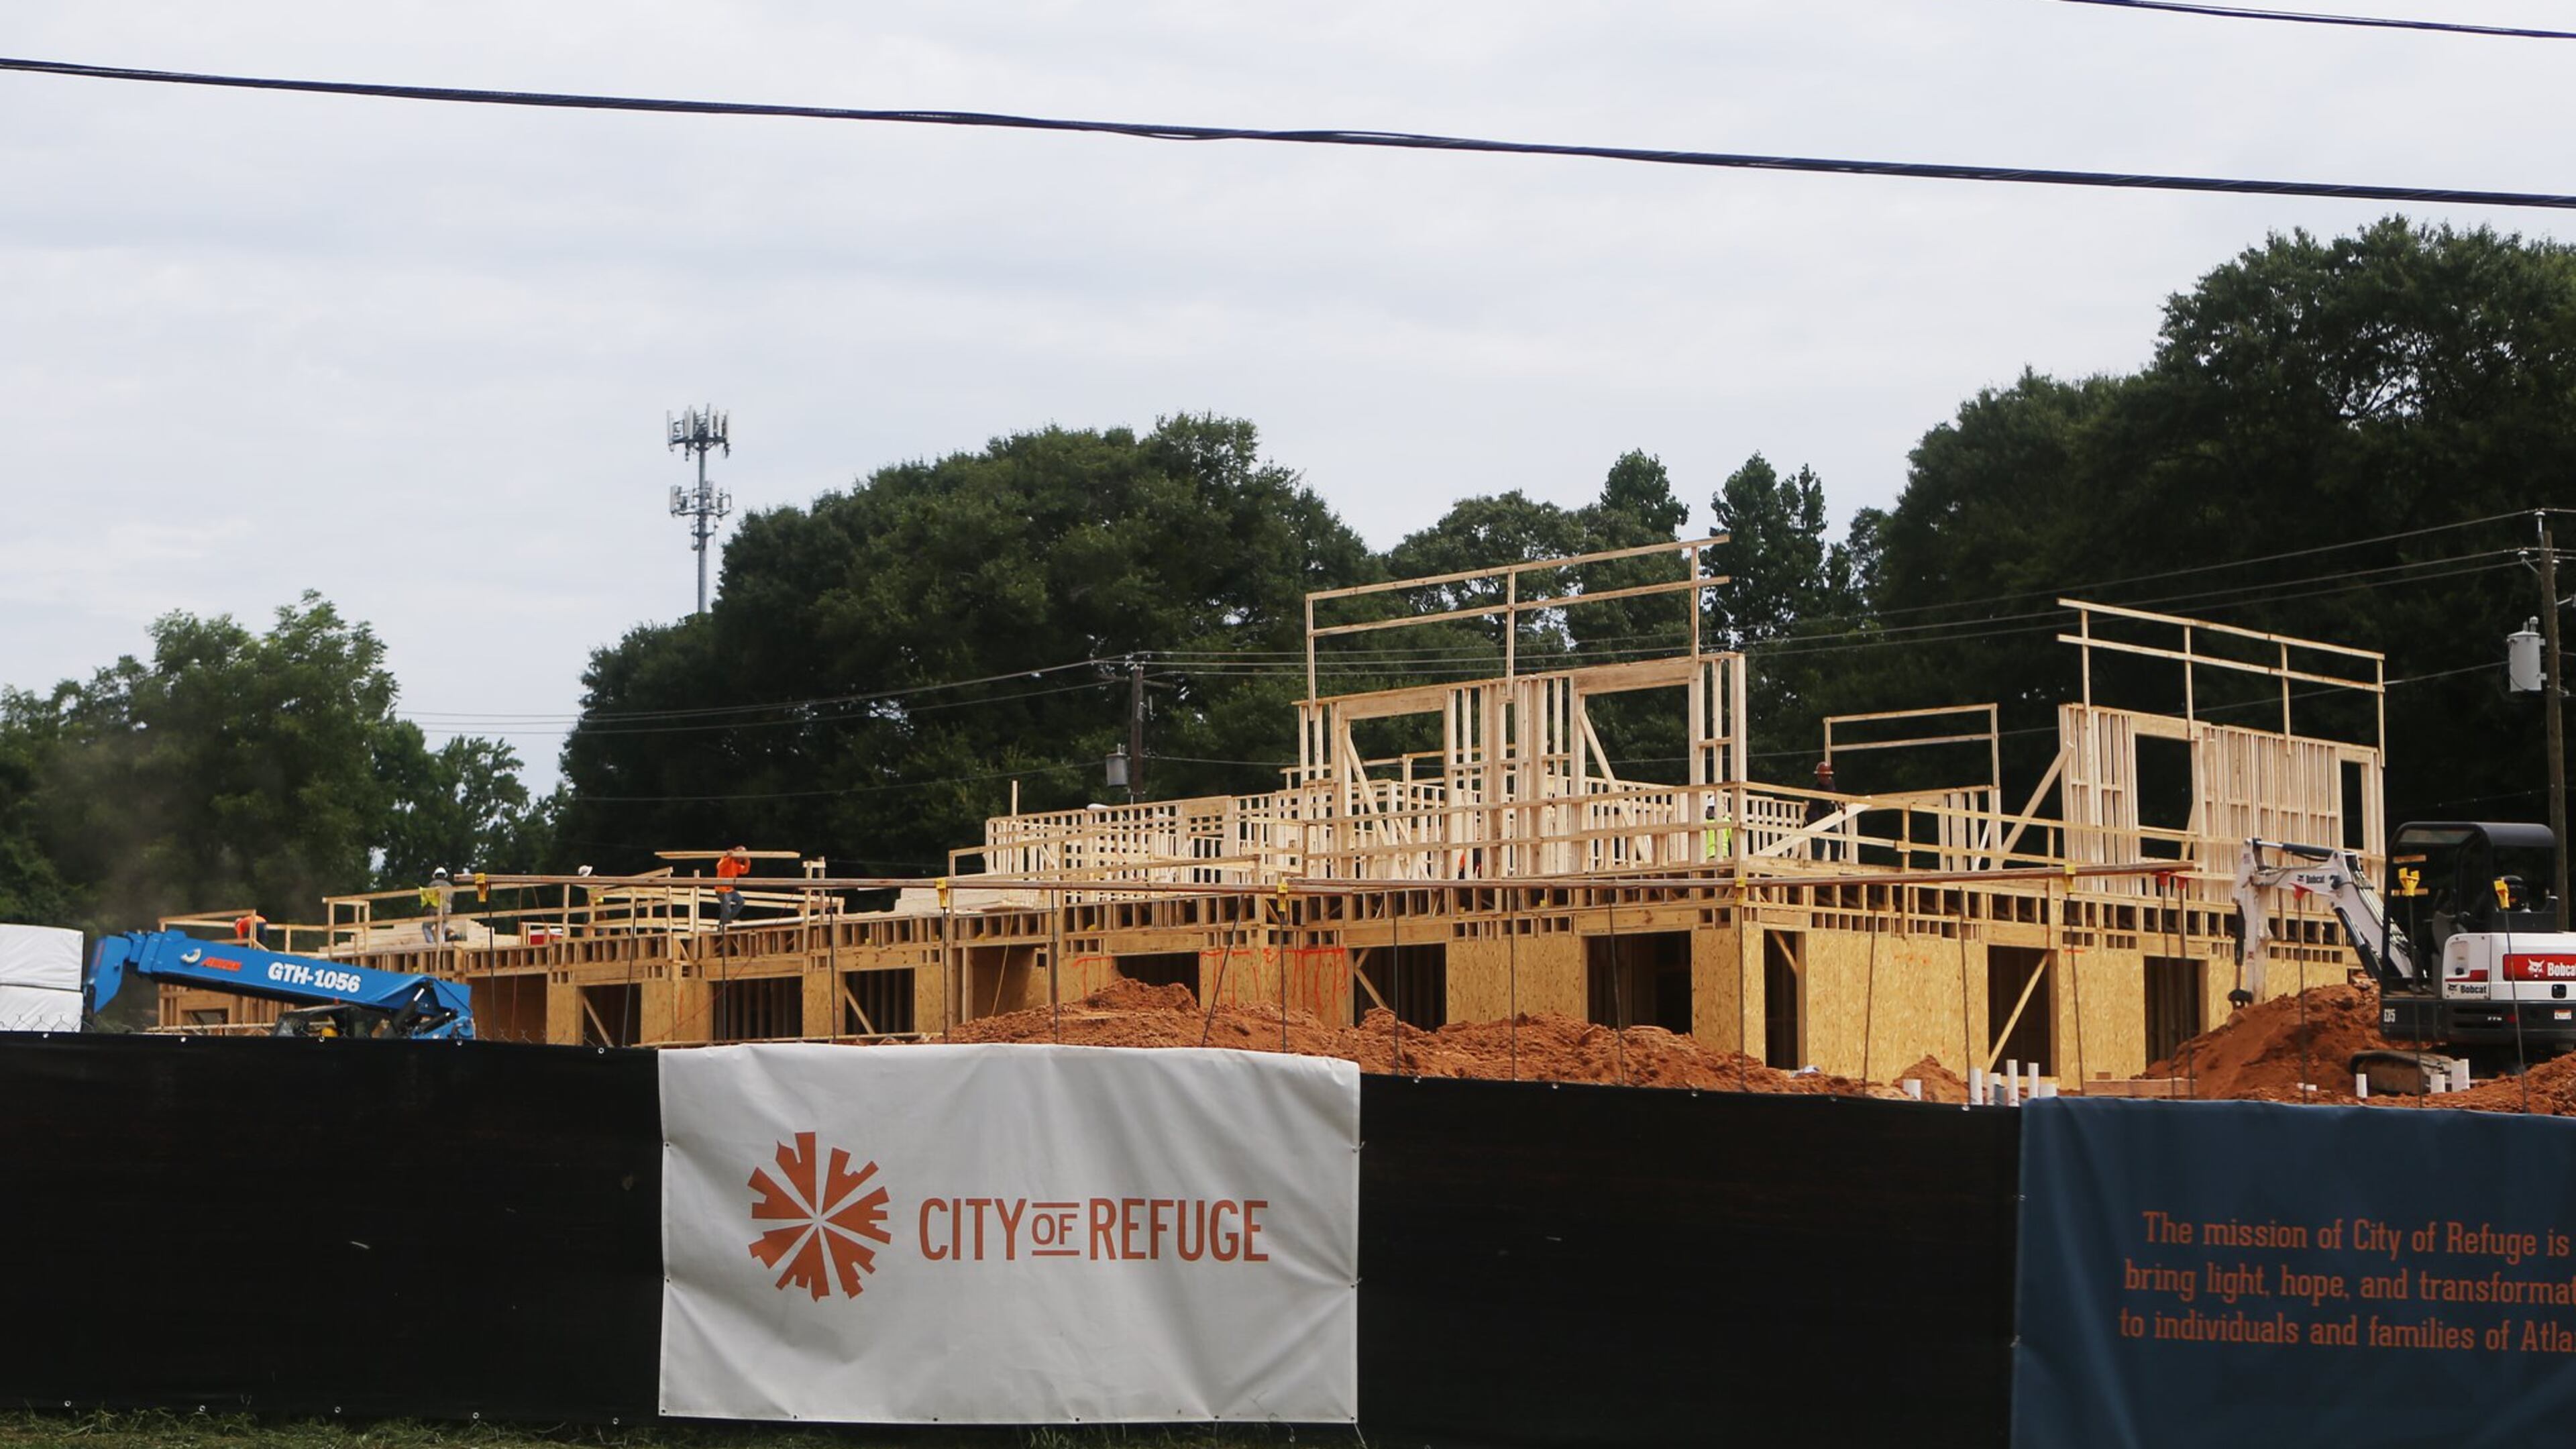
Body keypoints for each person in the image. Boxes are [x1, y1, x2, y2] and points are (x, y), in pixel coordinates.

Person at [1806, 760, 1842, 863]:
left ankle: (1835, 862)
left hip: (1828, 818)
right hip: (1817, 819)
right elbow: (1813, 810)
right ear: (1819, 777)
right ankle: (1818, 863)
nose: (1825, 778)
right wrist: (1819, 825)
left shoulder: (1831, 784)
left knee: (1836, 838)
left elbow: (1834, 794)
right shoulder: (1816, 789)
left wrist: (1839, 805)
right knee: (1820, 843)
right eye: (1822, 776)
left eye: (1827, 776)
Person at [715, 845, 751, 926]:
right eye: (740, 856)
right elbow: (719, 867)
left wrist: (747, 860)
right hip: (721, 889)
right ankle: (722, 927)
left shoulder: (737, 865)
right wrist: (729, 857)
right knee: (726, 910)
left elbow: (745, 871)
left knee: (741, 902)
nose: (741, 859)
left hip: (730, 890)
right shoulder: (727, 858)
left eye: (742, 857)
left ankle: (725, 921)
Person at [419, 867, 455, 945]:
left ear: (435, 876)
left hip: (434, 910)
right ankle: (442, 946)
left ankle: (431, 944)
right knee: (441, 931)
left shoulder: (432, 884)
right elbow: (452, 899)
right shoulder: (450, 886)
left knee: (426, 927)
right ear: (445, 876)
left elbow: (427, 899)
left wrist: (425, 911)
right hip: (447, 911)